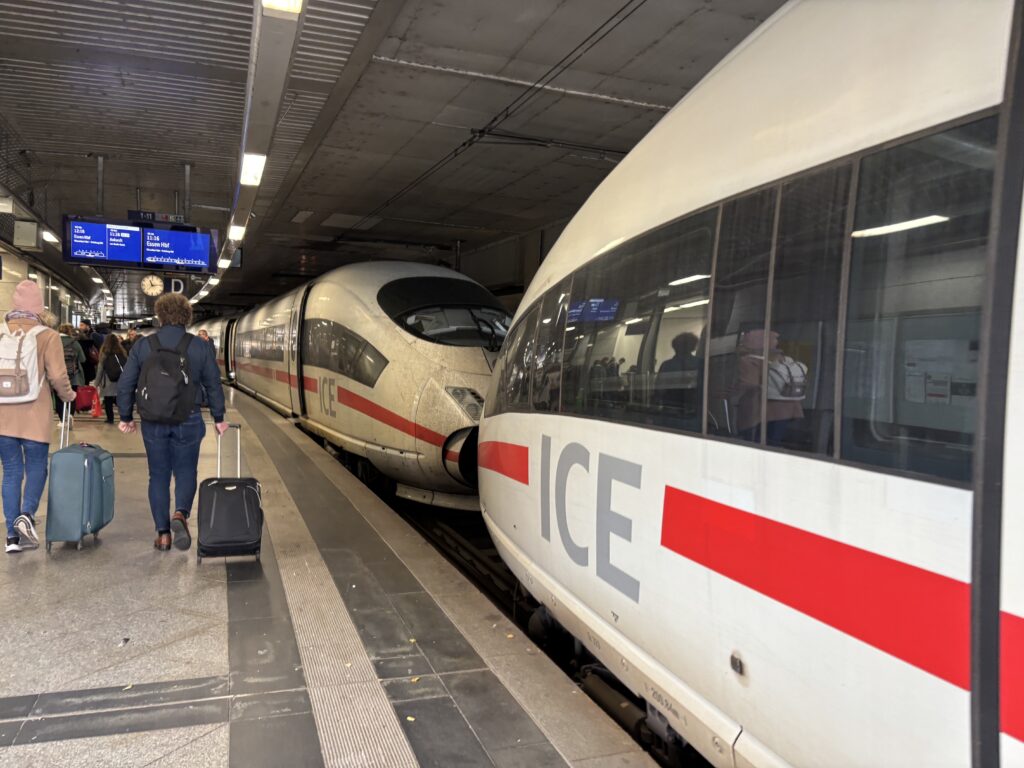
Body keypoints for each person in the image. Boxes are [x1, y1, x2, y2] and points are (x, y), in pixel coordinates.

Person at [117, 294, 228, 552]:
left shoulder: (144, 345)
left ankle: (163, 534)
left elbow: (126, 384)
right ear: (187, 317)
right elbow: (213, 384)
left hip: (153, 421)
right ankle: (180, 514)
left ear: (160, 316)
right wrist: (219, 417)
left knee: (158, 475)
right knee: (186, 470)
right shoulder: (200, 346)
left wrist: (125, 417)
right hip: (188, 418)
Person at [0, 281, 76, 553]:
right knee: (37, 468)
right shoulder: (48, 335)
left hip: (3, 417)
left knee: (10, 473)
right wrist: (69, 397)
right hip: (35, 414)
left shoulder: (0, 333)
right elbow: (57, 376)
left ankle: (11, 537)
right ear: (39, 308)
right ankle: (27, 515)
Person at [93, 334, 128, 424]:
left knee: (108, 401)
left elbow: (100, 369)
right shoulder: (122, 352)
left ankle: (110, 419)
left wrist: (96, 383)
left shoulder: (104, 353)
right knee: (119, 400)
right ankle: (124, 417)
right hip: (120, 379)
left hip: (108, 380)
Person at [57, 323, 85, 417]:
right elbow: (83, 359)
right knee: (72, 396)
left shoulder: (54, 341)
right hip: (74, 374)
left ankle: (62, 419)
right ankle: (70, 417)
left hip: (57, 374)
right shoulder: (75, 343)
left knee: (58, 397)